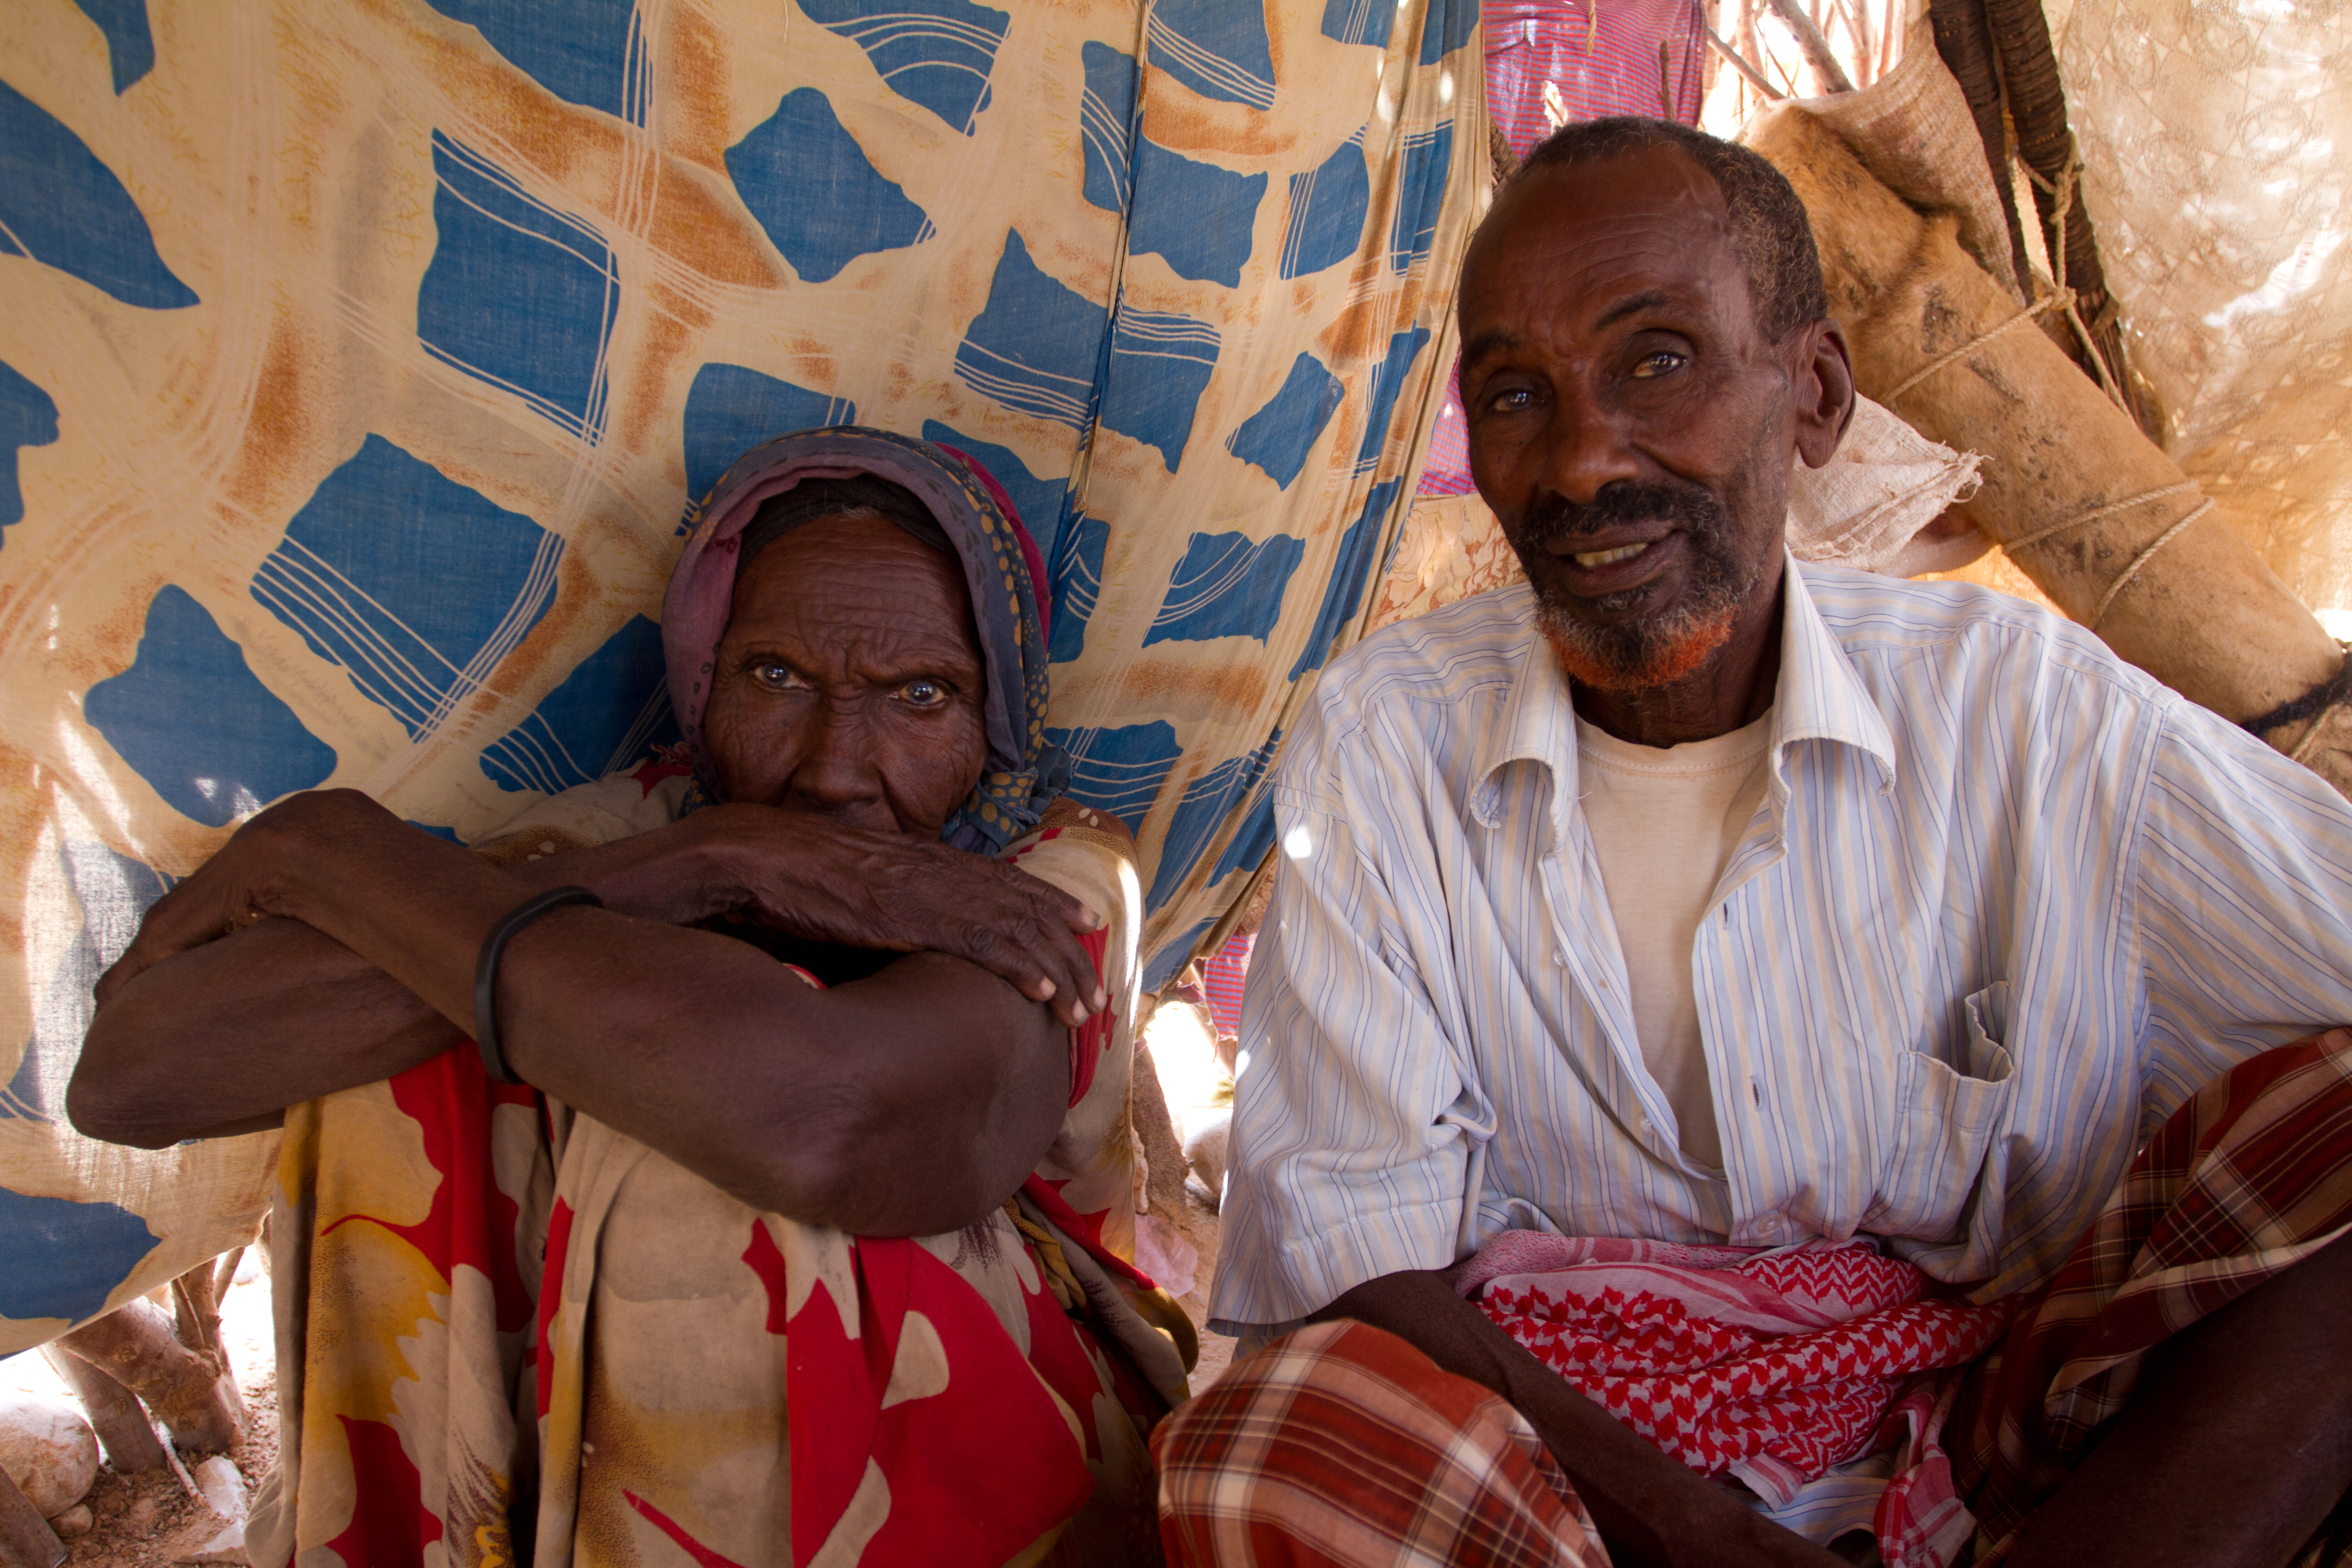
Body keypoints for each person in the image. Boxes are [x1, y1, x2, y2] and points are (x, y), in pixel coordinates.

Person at [1171, 118, 2352, 1568]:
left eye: (1655, 360)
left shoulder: (2023, 712)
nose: (1582, 458)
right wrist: (1704, 1540)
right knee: (1276, 1449)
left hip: (1983, 1443)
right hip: (1566, 1484)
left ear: (1816, 397)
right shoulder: (1385, 745)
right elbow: (1359, 1264)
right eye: (1517, 393)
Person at [71, 428, 1192, 1568]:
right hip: (546, 1466)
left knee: (689, 1134)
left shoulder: (1054, 878)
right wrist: (717, 862)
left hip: (980, 1449)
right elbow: (129, 1079)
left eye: (919, 694)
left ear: (994, 714)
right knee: (407, 1015)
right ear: (701, 688)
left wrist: (321, 851)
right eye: (774, 678)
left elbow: (829, 1119)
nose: (836, 765)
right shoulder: (655, 828)